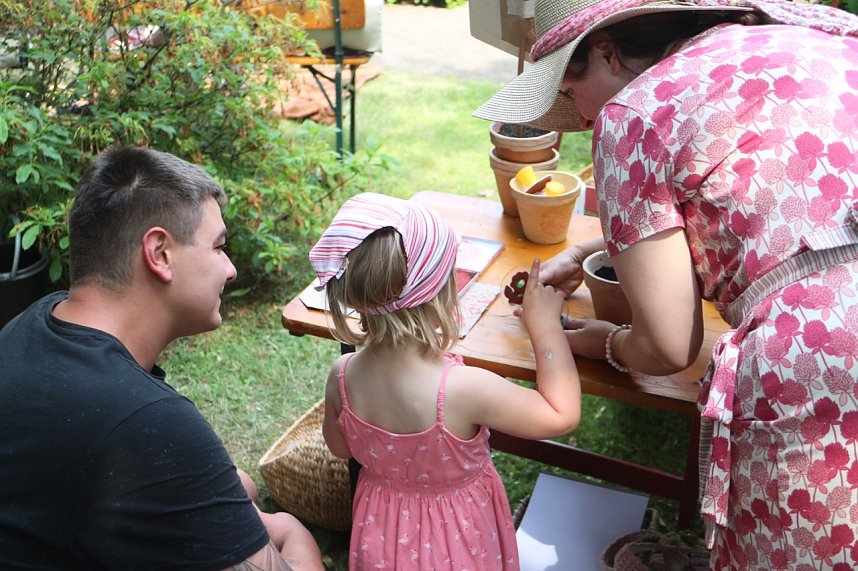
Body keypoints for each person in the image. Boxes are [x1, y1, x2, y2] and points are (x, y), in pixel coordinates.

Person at [475, 0, 858, 568]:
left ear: (607, 51)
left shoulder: (634, 113)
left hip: (821, 359)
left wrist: (598, 340)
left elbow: (665, 345)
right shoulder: (798, 39)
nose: (578, 115)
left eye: (570, 89)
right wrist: (588, 250)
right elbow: (784, 215)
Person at [0, 146, 323, 571]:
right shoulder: (145, 421)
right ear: (160, 253)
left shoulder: (30, 325)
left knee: (241, 485)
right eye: (218, 247)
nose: (230, 270)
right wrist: (291, 532)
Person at [308, 192, 580, 570]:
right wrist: (546, 325)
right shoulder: (463, 388)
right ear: (438, 294)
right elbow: (560, 414)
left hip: (383, 532)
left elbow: (340, 448)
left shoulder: (342, 375)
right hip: (458, 538)